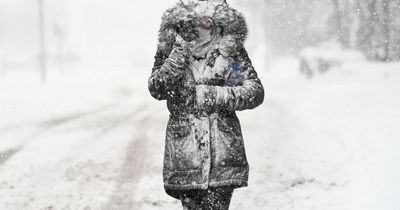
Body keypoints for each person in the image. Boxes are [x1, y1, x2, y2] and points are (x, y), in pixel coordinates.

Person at [148, 0, 264, 209]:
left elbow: (254, 91)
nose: (202, 20)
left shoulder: (229, 48)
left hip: (223, 153)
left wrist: (213, 95)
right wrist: (177, 56)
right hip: (186, 155)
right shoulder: (171, 45)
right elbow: (157, 89)